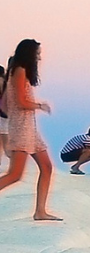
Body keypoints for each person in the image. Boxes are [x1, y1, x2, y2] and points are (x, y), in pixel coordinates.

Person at [0, 39, 60, 221]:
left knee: (47, 167)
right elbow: (20, 102)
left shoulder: (19, 71)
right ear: (29, 53)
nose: (39, 57)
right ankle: (40, 211)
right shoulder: (19, 70)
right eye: (37, 53)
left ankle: (40, 211)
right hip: (21, 128)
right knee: (15, 175)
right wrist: (39, 105)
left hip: (29, 128)